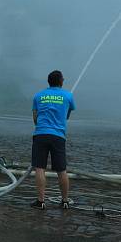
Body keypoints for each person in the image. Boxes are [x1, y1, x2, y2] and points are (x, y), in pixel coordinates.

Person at [31, 70, 76, 210]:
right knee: (61, 170)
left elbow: (35, 119)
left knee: (39, 168)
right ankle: (64, 201)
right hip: (58, 137)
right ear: (61, 81)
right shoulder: (68, 96)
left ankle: (41, 201)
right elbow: (67, 116)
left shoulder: (38, 96)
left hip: (41, 134)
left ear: (48, 81)